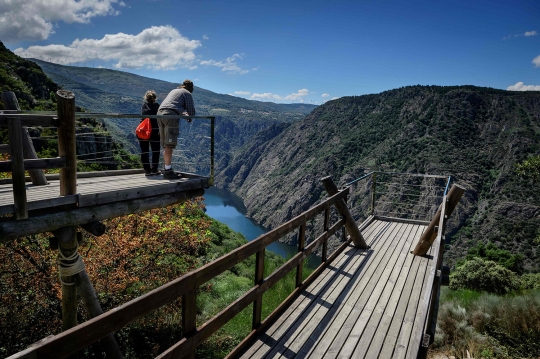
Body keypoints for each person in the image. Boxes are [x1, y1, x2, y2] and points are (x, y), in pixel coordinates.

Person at [156, 79, 196, 179]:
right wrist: (189, 117)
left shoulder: (174, 91)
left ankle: (166, 168)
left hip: (160, 114)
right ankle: (168, 172)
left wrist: (183, 113)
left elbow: (175, 105)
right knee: (169, 145)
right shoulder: (187, 93)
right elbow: (191, 112)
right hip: (170, 115)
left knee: (165, 144)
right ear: (191, 88)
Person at [138, 90, 161, 176]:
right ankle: (154, 169)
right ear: (155, 98)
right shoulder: (157, 106)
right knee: (156, 151)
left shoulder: (144, 106)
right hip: (155, 130)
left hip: (144, 131)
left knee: (144, 151)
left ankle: (147, 170)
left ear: (146, 98)